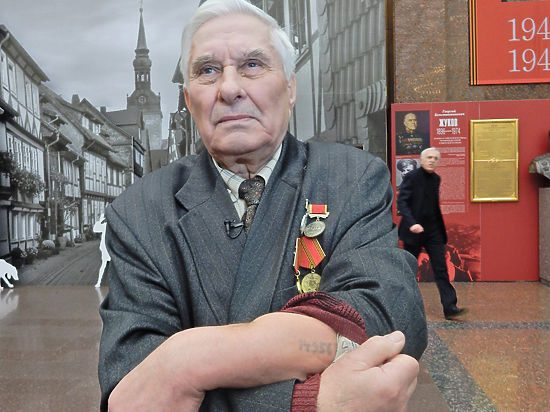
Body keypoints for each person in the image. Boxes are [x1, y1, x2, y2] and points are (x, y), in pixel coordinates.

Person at [98, 0, 427, 410]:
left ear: (290, 88)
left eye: (252, 65)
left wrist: (186, 362)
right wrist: (312, 400)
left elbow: (388, 315)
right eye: (207, 70)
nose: (229, 88)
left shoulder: (351, 178)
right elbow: (134, 393)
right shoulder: (140, 212)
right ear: (189, 99)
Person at [397, 147, 467, 320]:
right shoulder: (411, 177)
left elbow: (433, 205)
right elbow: (402, 202)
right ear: (421, 160)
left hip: (433, 231)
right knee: (408, 270)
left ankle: (450, 307)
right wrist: (412, 223)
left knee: (441, 269)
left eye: (435, 158)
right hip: (413, 231)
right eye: (429, 157)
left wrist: (438, 230)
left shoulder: (436, 179)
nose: (432, 161)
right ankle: (402, 306)